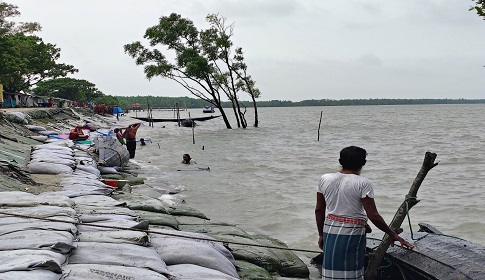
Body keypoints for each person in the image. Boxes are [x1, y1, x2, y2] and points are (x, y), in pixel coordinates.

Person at [315, 146, 414, 280]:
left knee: (331, 270)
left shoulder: (324, 178)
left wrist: (321, 234)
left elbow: (319, 210)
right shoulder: (363, 183)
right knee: (352, 271)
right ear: (363, 163)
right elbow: (373, 215)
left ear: (340, 161)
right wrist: (392, 234)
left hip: (330, 230)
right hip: (351, 233)